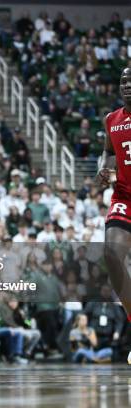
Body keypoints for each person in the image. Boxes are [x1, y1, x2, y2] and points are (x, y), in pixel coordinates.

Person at [95, 67, 131, 365]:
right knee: (111, 253)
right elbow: (108, 152)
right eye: (123, 81)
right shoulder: (112, 119)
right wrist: (105, 167)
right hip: (124, 196)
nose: (128, 85)